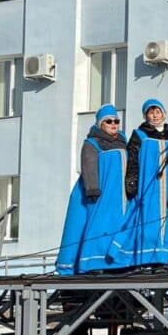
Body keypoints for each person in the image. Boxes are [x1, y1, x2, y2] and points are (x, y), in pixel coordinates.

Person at [107, 99, 168, 269]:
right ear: (145, 116)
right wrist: (131, 183)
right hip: (148, 188)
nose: (155, 115)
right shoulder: (140, 135)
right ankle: (150, 259)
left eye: (158, 111)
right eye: (151, 112)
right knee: (149, 222)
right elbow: (132, 161)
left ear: (164, 114)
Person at [56, 104, 129, 274]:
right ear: (100, 123)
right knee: (98, 225)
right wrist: (93, 189)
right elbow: (88, 165)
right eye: (108, 121)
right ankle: (93, 261)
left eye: (116, 121)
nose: (113, 124)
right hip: (99, 193)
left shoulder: (123, 141)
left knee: (118, 226)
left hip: (120, 194)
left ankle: (116, 261)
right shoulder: (92, 143)